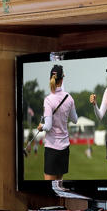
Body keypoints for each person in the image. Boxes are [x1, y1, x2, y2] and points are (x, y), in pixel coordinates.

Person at [36, 62, 78, 191]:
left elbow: (48, 126)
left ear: (51, 78)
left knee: (48, 189)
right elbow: (75, 120)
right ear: (62, 79)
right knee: (59, 189)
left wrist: (40, 127)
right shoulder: (69, 98)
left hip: (52, 148)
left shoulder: (48, 99)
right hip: (64, 148)